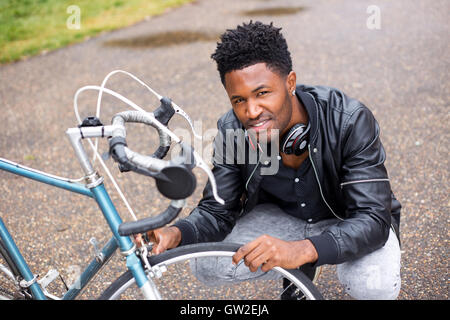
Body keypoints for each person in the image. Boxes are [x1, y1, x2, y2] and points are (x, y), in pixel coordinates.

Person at [137, 21, 402, 300]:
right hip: (287, 218)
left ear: (290, 83)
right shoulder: (232, 129)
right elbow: (218, 210)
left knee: (374, 286)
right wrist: (175, 233)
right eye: (238, 100)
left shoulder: (349, 119)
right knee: (207, 264)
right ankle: (299, 269)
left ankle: (303, 261)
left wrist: (302, 250)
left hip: (346, 219)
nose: (251, 111)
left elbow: (373, 218)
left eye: (262, 93)